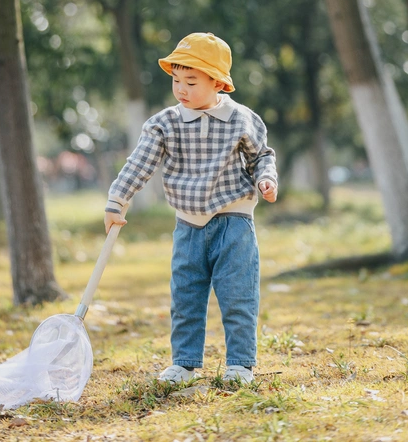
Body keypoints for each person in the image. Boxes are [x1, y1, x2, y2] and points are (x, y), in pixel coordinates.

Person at [104, 32, 278, 384]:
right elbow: (139, 163)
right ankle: (184, 363)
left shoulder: (242, 119)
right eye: (176, 80)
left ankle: (240, 364)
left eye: (191, 82)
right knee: (185, 295)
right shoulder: (164, 124)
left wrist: (266, 179)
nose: (181, 89)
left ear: (218, 83)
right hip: (188, 224)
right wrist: (117, 200)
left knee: (238, 294)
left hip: (234, 220)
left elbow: (261, 156)